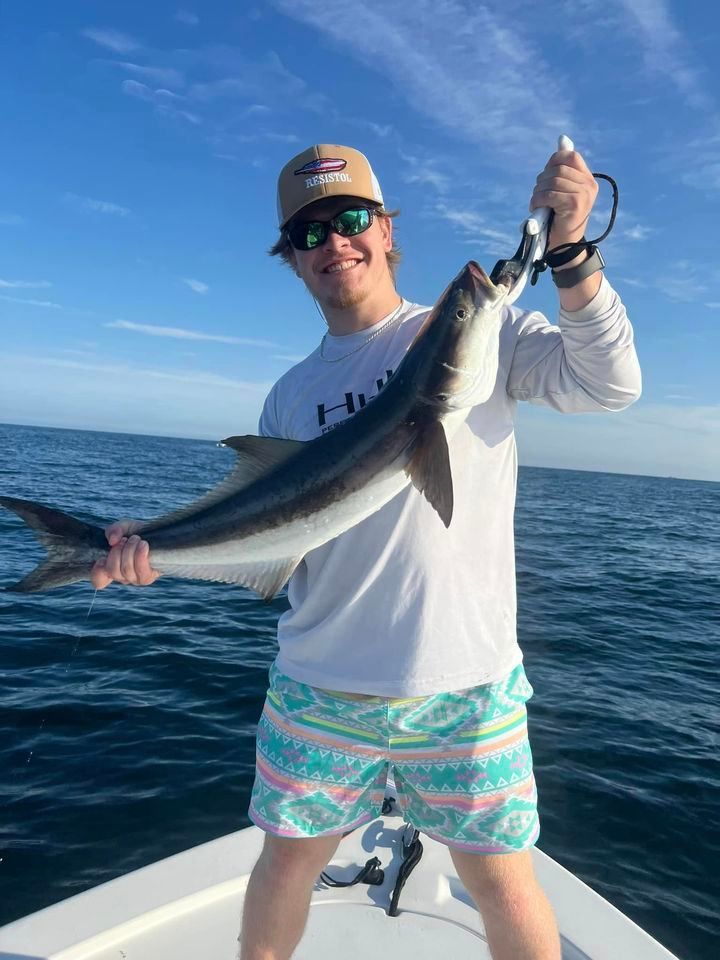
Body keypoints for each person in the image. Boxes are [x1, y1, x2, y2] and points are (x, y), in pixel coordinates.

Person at [91, 143, 641, 960]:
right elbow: (283, 545)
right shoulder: (292, 393)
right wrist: (155, 552)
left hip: (466, 681)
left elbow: (610, 384)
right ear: (292, 258)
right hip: (321, 683)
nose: (334, 242)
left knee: (501, 878)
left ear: (386, 231)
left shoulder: (481, 336)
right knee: (287, 866)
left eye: (351, 220)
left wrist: (569, 254)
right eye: (310, 232)